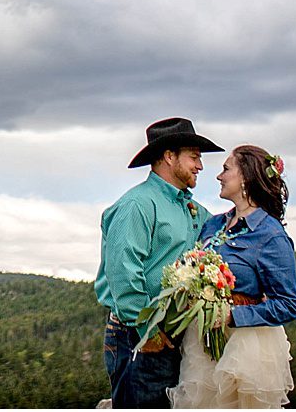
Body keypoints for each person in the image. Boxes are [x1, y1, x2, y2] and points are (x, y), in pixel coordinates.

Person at [97, 118, 223, 408]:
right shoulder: (136, 205)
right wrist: (148, 332)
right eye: (194, 157)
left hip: (176, 337)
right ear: (169, 156)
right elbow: (123, 272)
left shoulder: (195, 210)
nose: (200, 166)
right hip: (137, 335)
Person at [169, 144, 296, 409]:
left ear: (246, 178)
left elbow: (288, 304)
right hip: (201, 343)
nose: (219, 176)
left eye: (226, 169)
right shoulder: (213, 224)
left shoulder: (271, 235)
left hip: (245, 347)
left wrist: (232, 316)